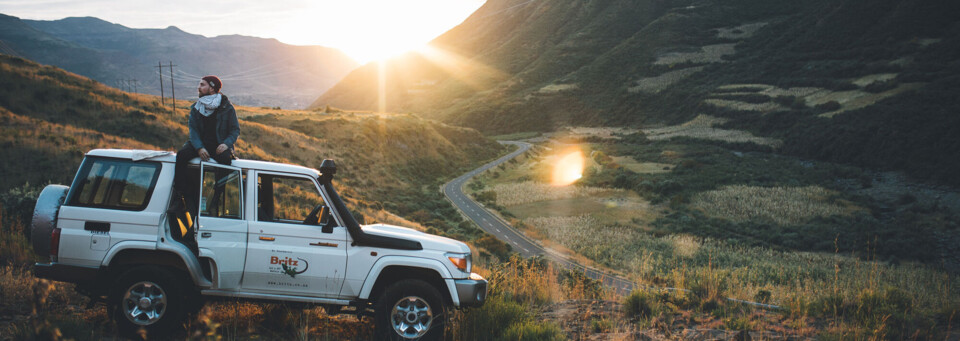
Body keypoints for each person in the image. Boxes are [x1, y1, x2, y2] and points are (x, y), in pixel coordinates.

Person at [173, 75, 240, 209]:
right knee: (181, 156)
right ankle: (179, 194)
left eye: (202, 84)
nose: (199, 87)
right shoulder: (196, 107)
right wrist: (199, 148)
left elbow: (235, 130)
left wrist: (226, 144)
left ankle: (217, 196)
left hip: (218, 145)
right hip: (199, 144)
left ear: (212, 88)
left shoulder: (227, 107)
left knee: (226, 160)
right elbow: (193, 130)